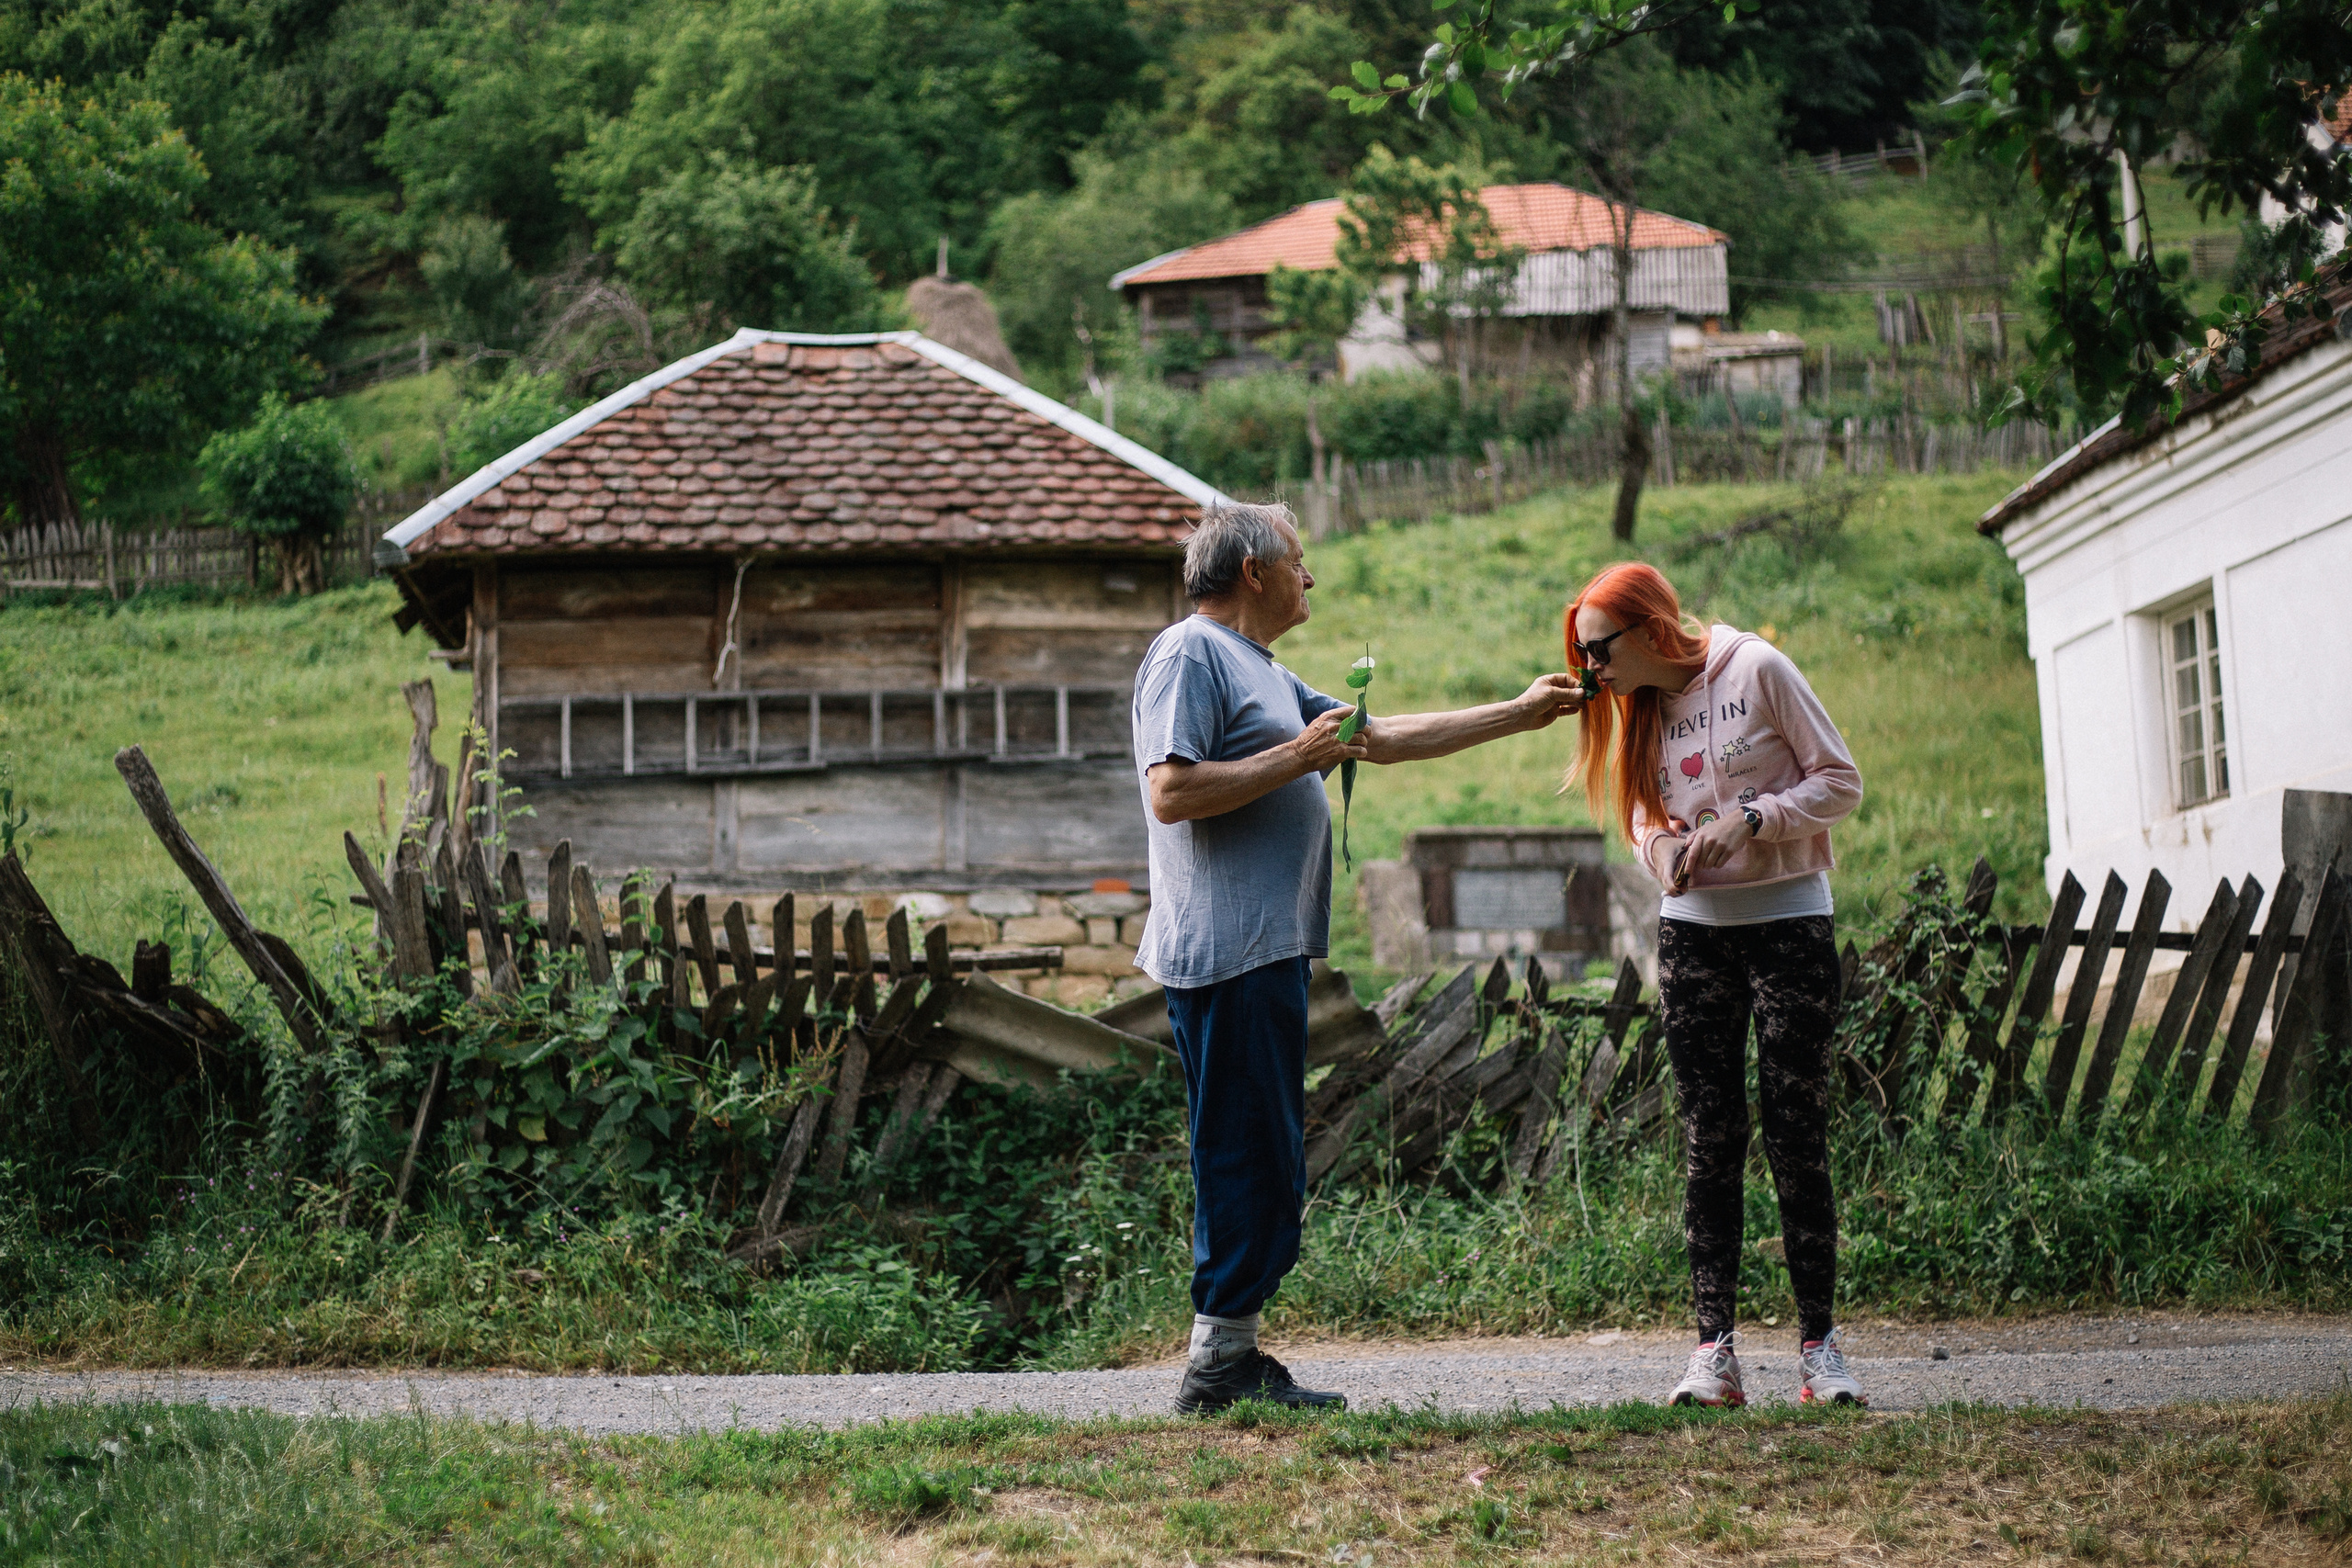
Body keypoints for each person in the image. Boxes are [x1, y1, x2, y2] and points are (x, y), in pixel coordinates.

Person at [1132, 502, 1582, 1415]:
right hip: (1225, 953)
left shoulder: (1259, 668)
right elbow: (1170, 792)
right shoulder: (1190, 653)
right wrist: (1298, 757)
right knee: (1242, 1152)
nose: (1311, 578)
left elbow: (1370, 738)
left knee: (1263, 1154)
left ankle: (1232, 1354)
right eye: (1299, 561)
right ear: (1253, 571)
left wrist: (1522, 715)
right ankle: (1217, 1367)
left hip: (1265, 952)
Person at [1564, 561, 1868, 1408]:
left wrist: (1753, 820)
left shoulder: (1758, 669)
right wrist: (1659, 850)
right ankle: (1714, 1353)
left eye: (1598, 650)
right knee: (1710, 1138)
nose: (1590, 671)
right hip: (1696, 934)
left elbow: (1841, 780)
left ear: (1650, 629)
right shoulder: (1640, 707)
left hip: (1790, 924)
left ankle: (1820, 1348)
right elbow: (1640, 815)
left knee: (1794, 1132)